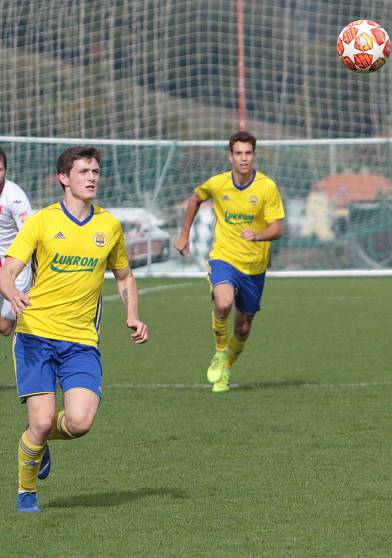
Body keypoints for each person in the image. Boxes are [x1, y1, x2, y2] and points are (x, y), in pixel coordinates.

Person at [0, 146, 149, 513]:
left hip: (81, 340)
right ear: (64, 178)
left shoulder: (109, 226)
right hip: (36, 335)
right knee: (43, 418)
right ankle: (26, 490)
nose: (92, 177)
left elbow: (125, 276)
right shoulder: (42, 222)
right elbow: (7, 270)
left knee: (80, 422)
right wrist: (13, 295)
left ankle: (39, 437)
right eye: (84, 171)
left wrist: (133, 314)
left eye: (96, 171)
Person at [174, 131, 285, 393]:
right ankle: (219, 352)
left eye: (248, 153)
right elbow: (195, 198)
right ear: (230, 156)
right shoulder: (218, 183)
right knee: (223, 304)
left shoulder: (267, 187)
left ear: (254, 156)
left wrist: (258, 235)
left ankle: (226, 369)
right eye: (238, 153)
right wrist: (183, 234)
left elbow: (278, 228)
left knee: (243, 328)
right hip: (224, 257)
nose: (243, 158)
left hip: (255, 267)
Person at [0, 147, 34, 336]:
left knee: (5, 328)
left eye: (0, 170)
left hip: (14, 265)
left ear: (6, 170)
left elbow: (28, 235)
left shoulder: (15, 198)